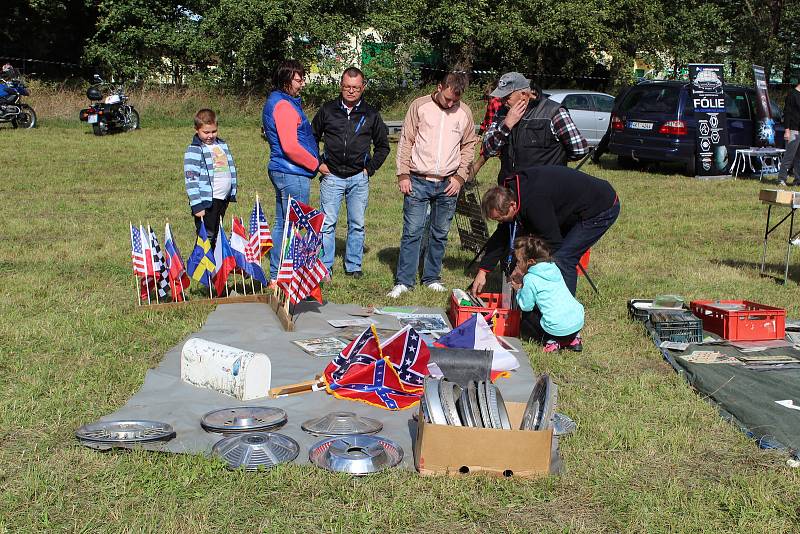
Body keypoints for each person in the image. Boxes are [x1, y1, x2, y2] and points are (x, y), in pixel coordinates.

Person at [387, 72, 478, 298]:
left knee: (440, 233)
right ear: (440, 87)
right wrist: (403, 174)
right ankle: (404, 281)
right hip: (418, 179)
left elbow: (468, 147)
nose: (450, 103)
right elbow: (406, 140)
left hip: (448, 183)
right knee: (412, 232)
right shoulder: (419, 106)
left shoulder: (464, 112)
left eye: (455, 100)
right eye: (448, 98)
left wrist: (459, 178)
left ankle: (431, 277)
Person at [470, 165, 619, 296]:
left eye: (501, 218)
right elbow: (502, 235)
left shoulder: (535, 204)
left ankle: (562, 313)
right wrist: (483, 271)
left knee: (564, 257)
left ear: (512, 205)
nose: (500, 222)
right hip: (571, 207)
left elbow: (553, 242)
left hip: (601, 207)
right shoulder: (511, 191)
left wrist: (523, 267)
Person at [311, 67, 390, 278]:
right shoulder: (328, 110)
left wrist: (369, 169)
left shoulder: (371, 114)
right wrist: (318, 163)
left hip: (358, 177)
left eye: (355, 87)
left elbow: (383, 146)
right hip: (332, 176)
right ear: (341, 86)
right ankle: (324, 267)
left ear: (363, 88)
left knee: (357, 224)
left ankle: (354, 266)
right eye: (347, 87)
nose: (351, 91)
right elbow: (311, 138)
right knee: (327, 224)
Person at [262, 60, 320, 283]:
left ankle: (277, 276)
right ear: (286, 79)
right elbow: (290, 146)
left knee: (282, 224)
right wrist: (314, 164)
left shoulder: (280, 102)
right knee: (294, 227)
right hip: (292, 172)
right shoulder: (284, 106)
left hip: (284, 171)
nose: (302, 83)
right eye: (299, 79)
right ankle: (289, 277)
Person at [482, 72, 589, 181]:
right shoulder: (501, 114)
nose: (502, 102)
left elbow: (580, 149)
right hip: (511, 189)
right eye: (501, 97)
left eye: (507, 97)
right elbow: (487, 150)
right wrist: (506, 125)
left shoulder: (553, 112)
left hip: (545, 189)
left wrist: (556, 161)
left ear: (523, 94)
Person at [510, 235, 584, 352]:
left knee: (525, 319)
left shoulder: (530, 278)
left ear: (530, 262)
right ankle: (574, 339)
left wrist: (519, 290)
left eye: (519, 261)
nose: (517, 264)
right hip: (577, 322)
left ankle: (550, 340)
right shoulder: (554, 267)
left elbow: (526, 306)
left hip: (557, 328)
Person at [183, 108, 238, 249]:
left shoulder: (221, 145)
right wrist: (197, 205)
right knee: (206, 236)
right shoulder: (194, 150)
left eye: (213, 131)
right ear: (197, 129)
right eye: (206, 132)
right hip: (206, 202)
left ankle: (212, 266)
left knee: (216, 234)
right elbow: (191, 180)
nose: (210, 135)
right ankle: (200, 268)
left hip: (222, 199)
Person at [778, 77, 800, 186]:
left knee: (799, 157)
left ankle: (798, 180)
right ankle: (781, 179)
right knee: (789, 156)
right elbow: (787, 113)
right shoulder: (792, 94)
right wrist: (786, 130)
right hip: (792, 130)